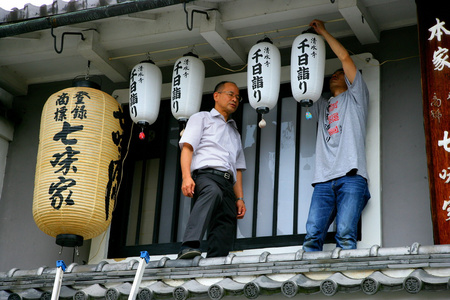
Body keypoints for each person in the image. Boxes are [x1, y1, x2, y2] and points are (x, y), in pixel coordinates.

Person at [302, 19, 371, 252]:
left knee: (345, 234)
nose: (335, 74)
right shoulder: (321, 105)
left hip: (351, 175)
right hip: (322, 179)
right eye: (332, 74)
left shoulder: (356, 97)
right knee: (312, 236)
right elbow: (308, 117)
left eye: (340, 74)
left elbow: (344, 58)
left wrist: (322, 32)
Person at [177, 81, 246, 259]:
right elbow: (187, 148)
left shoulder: (235, 133)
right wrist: (186, 177)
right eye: (230, 94)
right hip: (206, 176)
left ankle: (217, 260)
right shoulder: (201, 118)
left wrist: (239, 198)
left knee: (226, 219)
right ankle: (189, 246)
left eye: (237, 97)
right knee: (212, 192)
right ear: (216, 96)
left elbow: (238, 169)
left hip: (228, 182)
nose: (234, 99)